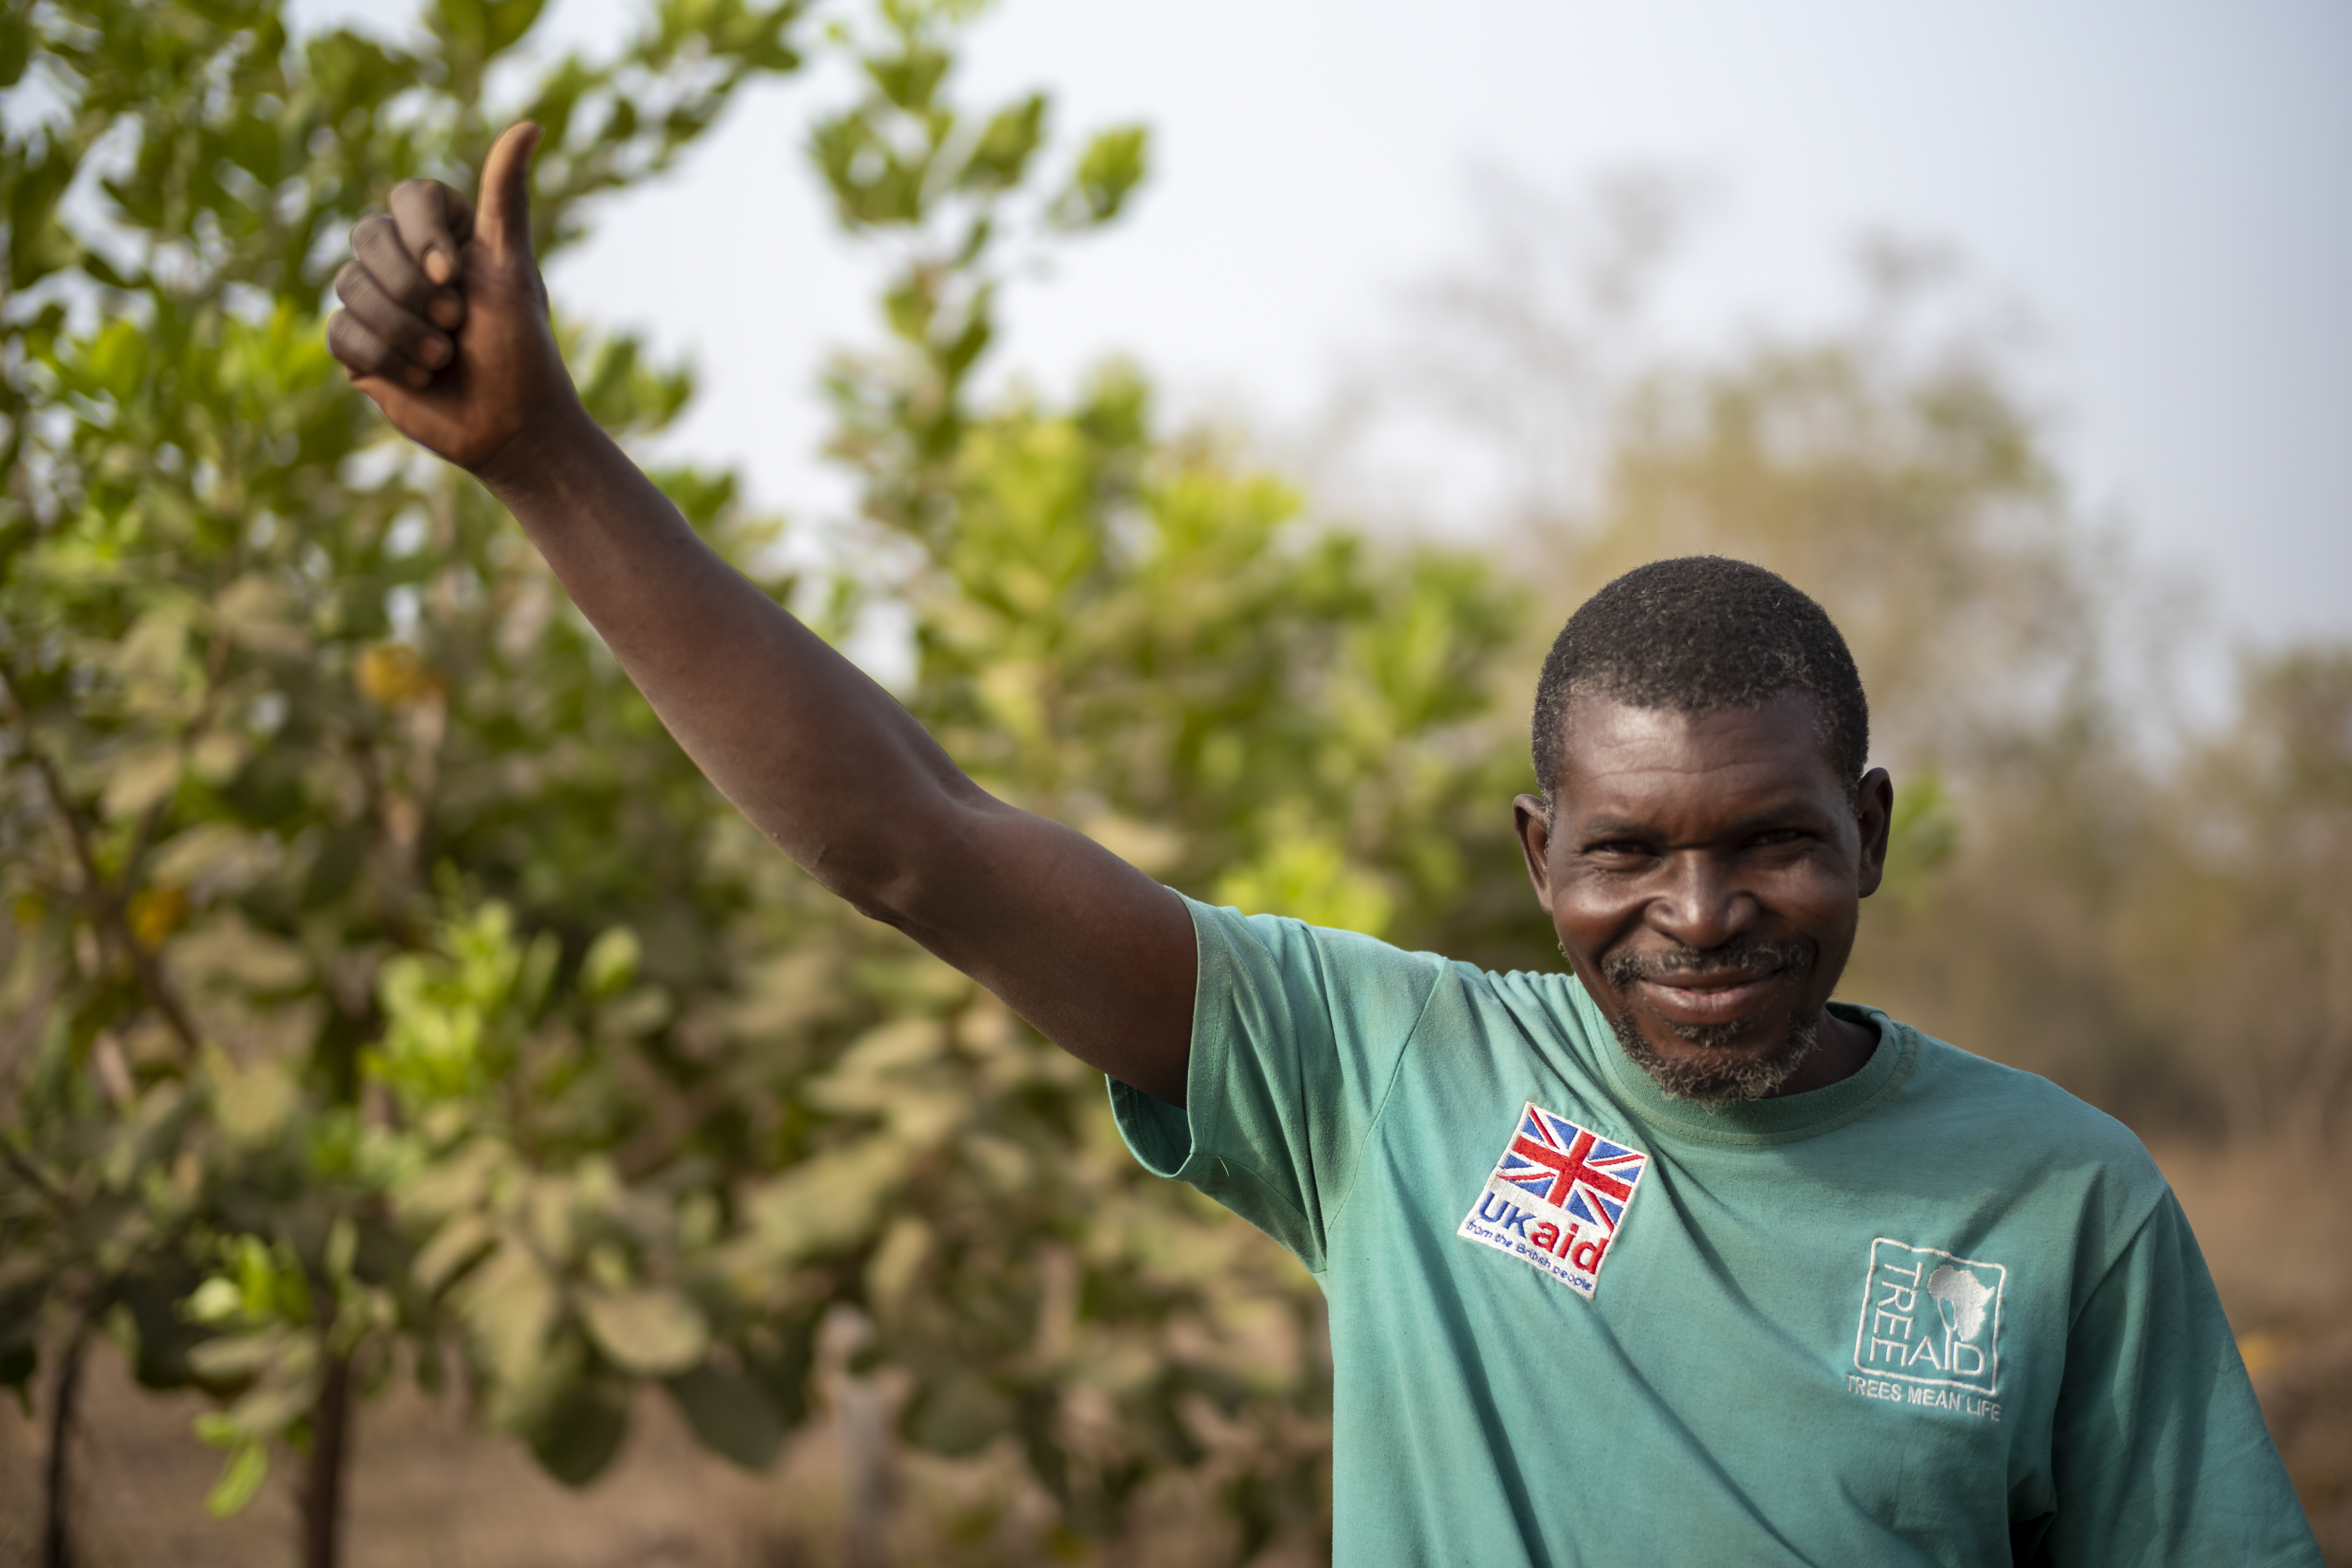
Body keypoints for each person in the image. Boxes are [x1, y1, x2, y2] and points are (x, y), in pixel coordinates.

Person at [325, 124, 2322, 1566]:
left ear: (1870, 833)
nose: (1701, 916)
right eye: (1630, 854)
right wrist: (547, 465)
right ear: (1540, 855)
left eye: (1774, 845)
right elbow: (912, 842)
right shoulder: (1386, 1078)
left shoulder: (2063, 1206)